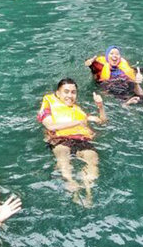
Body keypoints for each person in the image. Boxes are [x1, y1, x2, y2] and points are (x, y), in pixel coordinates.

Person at [37, 78, 107, 206]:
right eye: (66, 92)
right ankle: (71, 183)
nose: (70, 95)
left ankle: (88, 190)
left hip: (82, 140)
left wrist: (100, 107)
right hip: (60, 140)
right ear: (58, 93)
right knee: (63, 155)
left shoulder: (79, 111)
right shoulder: (48, 106)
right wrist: (76, 122)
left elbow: (101, 122)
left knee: (92, 159)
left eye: (73, 92)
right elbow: (50, 126)